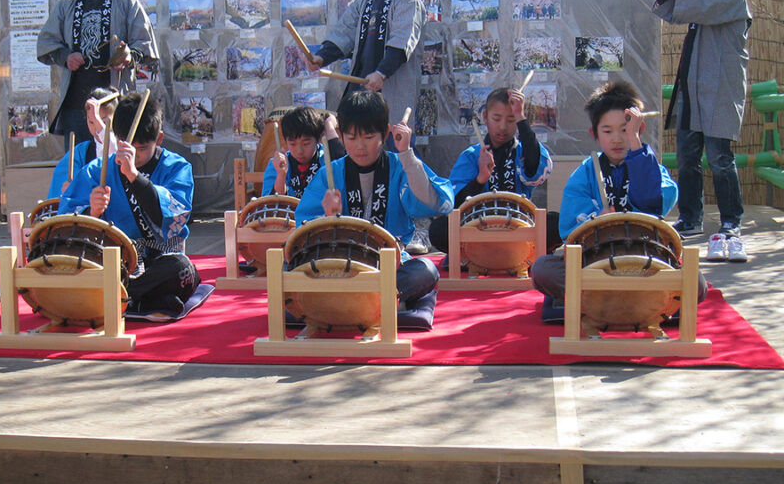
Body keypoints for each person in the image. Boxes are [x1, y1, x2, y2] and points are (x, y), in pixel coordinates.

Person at [529, 81, 706, 318]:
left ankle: (603, 300)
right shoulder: (586, 171)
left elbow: (654, 203)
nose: (617, 139)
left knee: (697, 283)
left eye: (626, 130)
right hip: (595, 263)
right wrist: (596, 221)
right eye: (608, 130)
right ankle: (629, 300)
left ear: (639, 129)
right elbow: (568, 227)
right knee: (542, 269)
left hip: (645, 260)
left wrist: (636, 146)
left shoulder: (650, 165)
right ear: (594, 133)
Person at [295, 90, 454, 320]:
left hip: (390, 268)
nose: (360, 146)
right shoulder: (329, 173)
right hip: (338, 266)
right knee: (285, 265)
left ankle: (352, 302)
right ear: (340, 135)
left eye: (368, 137)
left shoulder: (400, 166)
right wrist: (328, 219)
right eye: (351, 138)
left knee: (427, 271)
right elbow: (303, 230)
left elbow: (438, 203)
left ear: (386, 132)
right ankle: (379, 302)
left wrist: (407, 155)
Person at [649, 0, 751, 262]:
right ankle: (690, 218)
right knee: (688, 154)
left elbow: (704, 7)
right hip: (694, 86)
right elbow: (676, 12)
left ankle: (731, 222)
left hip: (720, 87)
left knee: (721, 158)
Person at [59, 92, 200, 321]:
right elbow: (65, 220)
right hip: (116, 262)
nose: (133, 156)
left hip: (159, 260)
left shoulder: (176, 167)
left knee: (183, 270)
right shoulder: (97, 170)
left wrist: (135, 177)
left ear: (160, 139)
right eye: (127, 146)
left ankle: (121, 298)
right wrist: (90, 213)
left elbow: (174, 216)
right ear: (116, 137)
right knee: (74, 266)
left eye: (142, 149)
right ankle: (143, 300)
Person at [37, 0, 159, 144]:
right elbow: (46, 43)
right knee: (78, 168)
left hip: (117, 106)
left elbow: (145, 44)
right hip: (77, 108)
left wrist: (130, 57)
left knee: (116, 165)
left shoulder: (127, 2)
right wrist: (65, 57)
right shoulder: (66, 5)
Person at [428, 87, 555, 257]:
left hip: (519, 229)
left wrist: (521, 117)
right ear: (485, 118)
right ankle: (479, 255)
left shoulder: (524, 150)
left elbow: (533, 168)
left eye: (511, 120)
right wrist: (480, 179)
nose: (503, 127)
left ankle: (516, 253)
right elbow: (453, 206)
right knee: (439, 229)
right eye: (497, 118)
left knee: (557, 223)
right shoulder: (472, 156)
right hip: (478, 232)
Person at [305, 0, 426, 105]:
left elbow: (402, 42)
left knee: (389, 130)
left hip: (391, 90)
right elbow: (345, 31)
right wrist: (322, 57)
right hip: (361, 91)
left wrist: (381, 73)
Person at [46, 87, 119, 199]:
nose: (96, 127)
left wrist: (97, 121)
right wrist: (70, 192)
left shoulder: (126, 146)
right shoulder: (79, 154)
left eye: (103, 122)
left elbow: (114, 155)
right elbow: (64, 198)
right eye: (91, 122)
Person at [261, 107, 345, 198]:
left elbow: (343, 164)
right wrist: (281, 175)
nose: (299, 151)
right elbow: (270, 205)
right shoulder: (277, 164)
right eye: (292, 144)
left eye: (306, 143)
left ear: (317, 139)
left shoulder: (327, 159)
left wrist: (329, 126)